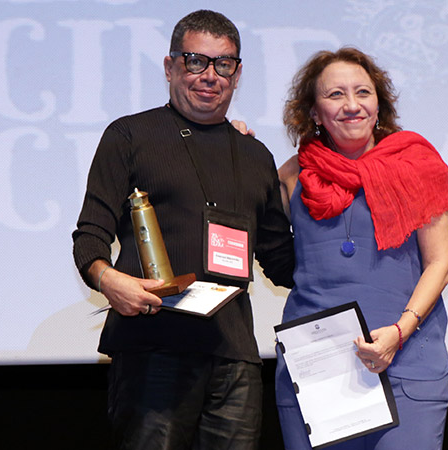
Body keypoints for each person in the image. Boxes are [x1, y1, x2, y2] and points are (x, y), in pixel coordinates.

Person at [71, 10, 294, 450]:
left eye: (223, 64)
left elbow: (282, 261)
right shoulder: (130, 136)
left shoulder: (255, 156)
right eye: (195, 61)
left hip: (234, 357)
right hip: (153, 347)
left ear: (238, 73)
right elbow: (89, 237)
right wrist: (109, 280)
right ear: (171, 66)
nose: (209, 75)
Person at [275, 47, 448, 449]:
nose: (351, 105)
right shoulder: (292, 175)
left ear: (379, 104)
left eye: (363, 92)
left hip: (407, 362)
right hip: (316, 372)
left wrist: (399, 331)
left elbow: (441, 264)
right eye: (335, 95)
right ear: (313, 111)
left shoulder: (417, 166)